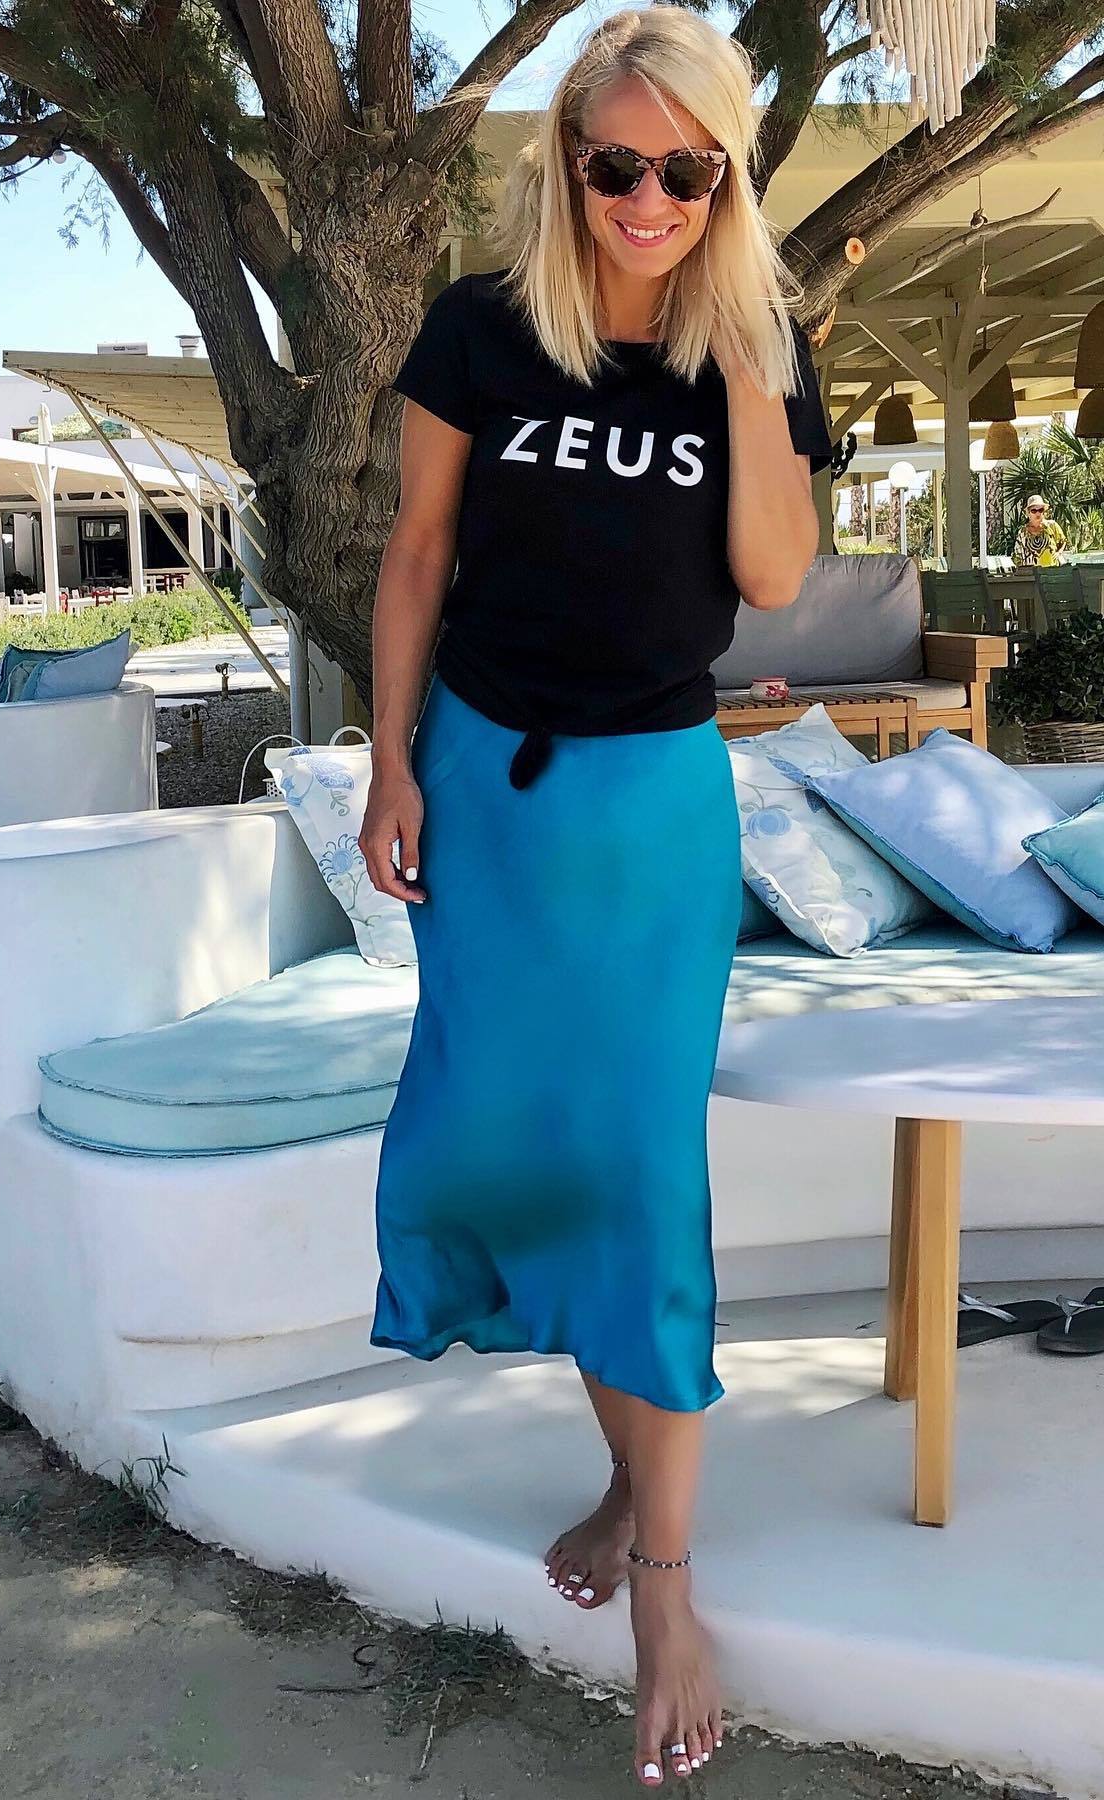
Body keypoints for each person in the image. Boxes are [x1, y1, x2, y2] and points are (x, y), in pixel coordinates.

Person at [360, 8, 829, 1789]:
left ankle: (666, 1583)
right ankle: (630, 1481)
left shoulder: (753, 340)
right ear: (567, 159)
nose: (648, 198)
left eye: (686, 171)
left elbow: (772, 577)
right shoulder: (482, 330)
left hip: (648, 810)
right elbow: (417, 556)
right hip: (488, 784)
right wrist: (392, 763)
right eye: (618, 163)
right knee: (530, 1151)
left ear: (725, 178)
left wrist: (750, 352)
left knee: (638, 1168)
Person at [1013, 495, 1066, 566]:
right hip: (1030, 570)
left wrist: (1058, 553)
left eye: (1040, 510)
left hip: (1052, 569)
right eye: (1034, 511)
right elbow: (1018, 554)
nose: (1037, 513)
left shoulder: (1052, 525)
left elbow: (1063, 541)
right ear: (1028, 513)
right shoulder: (1023, 532)